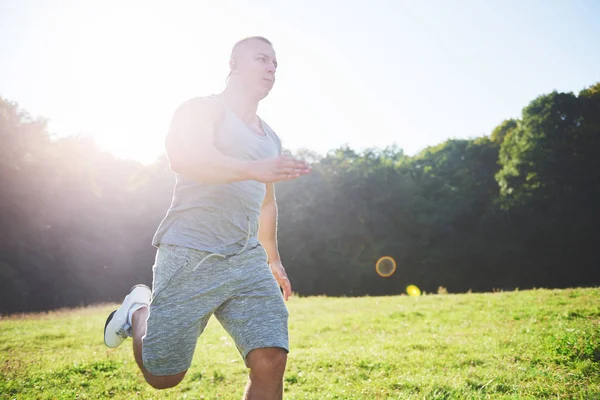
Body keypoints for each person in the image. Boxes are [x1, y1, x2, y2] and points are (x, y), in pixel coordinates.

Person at [103, 36, 311, 399]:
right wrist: (254, 167)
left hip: (246, 260)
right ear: (233, 65)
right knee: (163, 376)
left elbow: (266, 202)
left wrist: (273, 259)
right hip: (191, 252)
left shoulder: (270, 138)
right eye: (262, 59)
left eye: (276, 63)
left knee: (271, 357)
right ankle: (138, 311)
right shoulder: (201, 109)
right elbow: (187, 158)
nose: (272, 68)